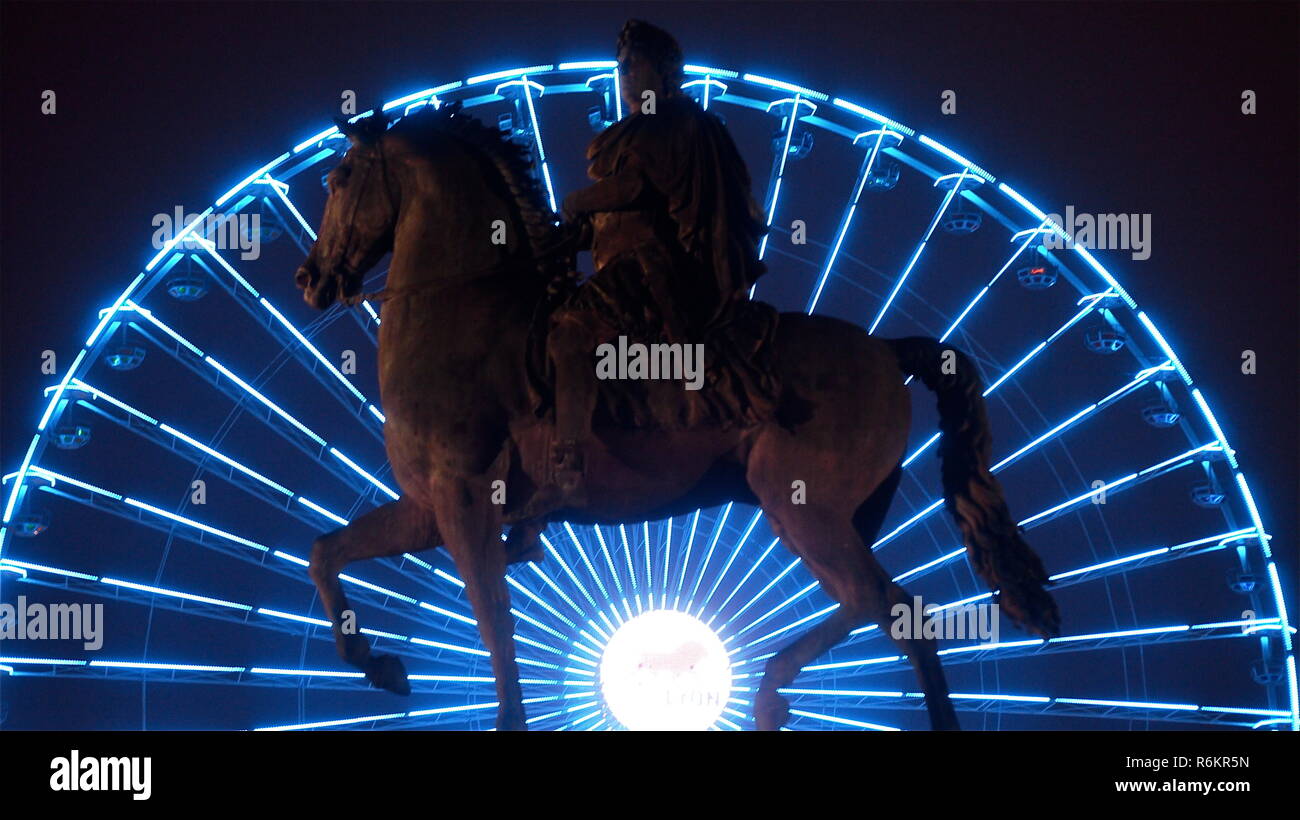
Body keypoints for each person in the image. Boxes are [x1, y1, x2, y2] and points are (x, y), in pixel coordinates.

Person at [547, 19, 771, 500]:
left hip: (652, 271)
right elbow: (610, 216)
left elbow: (635, 188)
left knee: (569, 332)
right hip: (624, 266)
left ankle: (568, 452)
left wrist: (576, 201)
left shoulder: (674, 121)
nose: (624, 74)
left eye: (634, 64)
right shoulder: (637, 129)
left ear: (664, 71)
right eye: (620, 66)